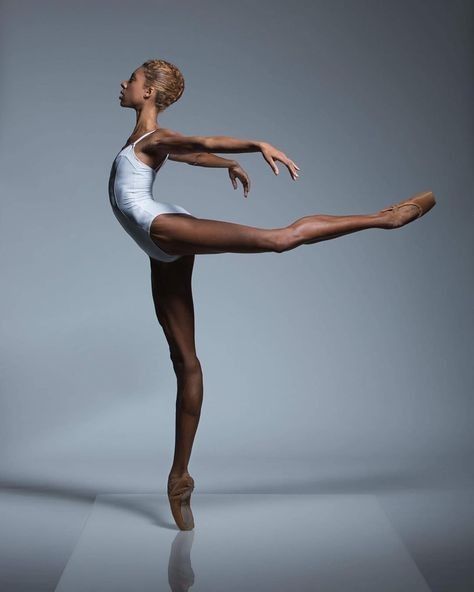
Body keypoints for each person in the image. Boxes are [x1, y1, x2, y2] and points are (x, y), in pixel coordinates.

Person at [108, 58, 436, 531]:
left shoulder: (154, 137)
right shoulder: (148, 142)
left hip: (162, 228)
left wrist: (254, 144)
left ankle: (387, 217)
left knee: (278, 239)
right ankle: (179, 478)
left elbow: (197, 142)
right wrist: (229, 164)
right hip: (157, 247)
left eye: (133, 79)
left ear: (150, 94)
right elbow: (194, 154)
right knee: (186, 363)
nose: (124, 83)